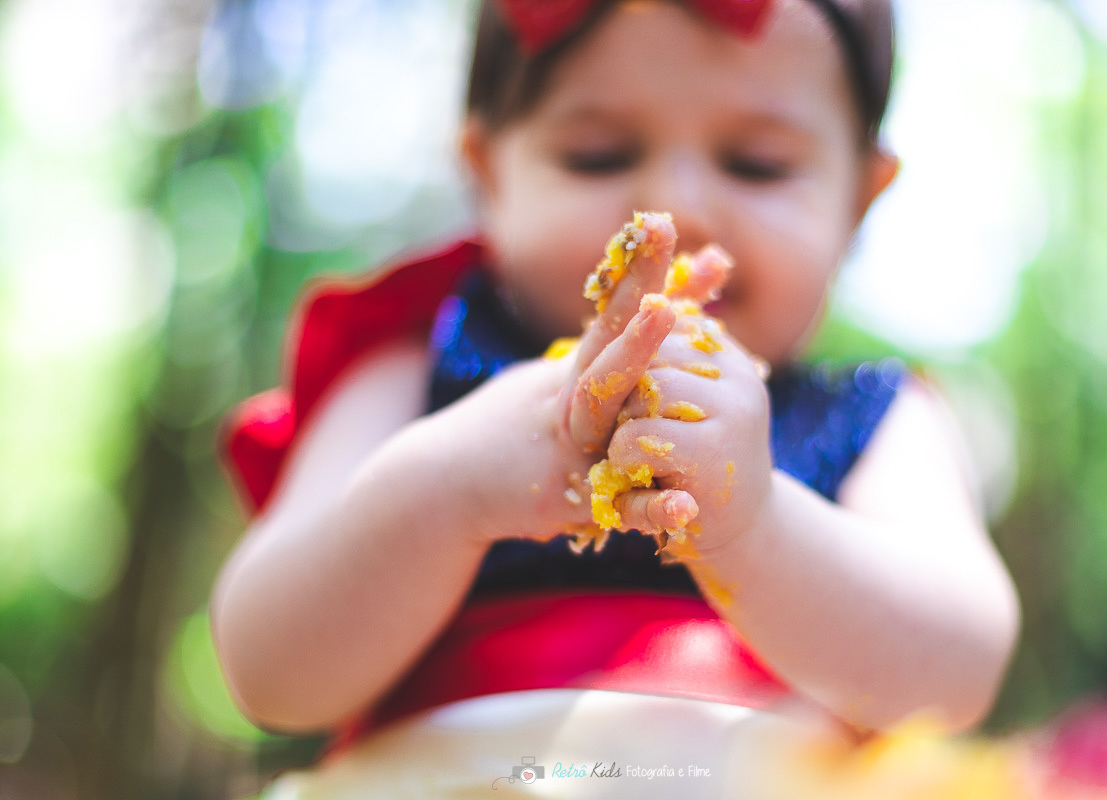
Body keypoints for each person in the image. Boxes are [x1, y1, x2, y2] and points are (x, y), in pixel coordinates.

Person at [211, 0, 1020, 795]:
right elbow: (267, 670)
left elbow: (956, 679)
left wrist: (754, 525)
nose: (678, 211)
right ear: (489, 178)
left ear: (859, 200)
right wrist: (449, 490)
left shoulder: (879, 422)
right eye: (597, 155)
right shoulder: (413, 371)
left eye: (758, 164)